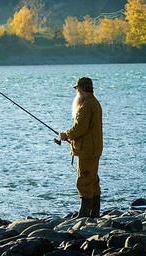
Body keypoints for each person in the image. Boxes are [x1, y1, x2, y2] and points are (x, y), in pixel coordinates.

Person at [58, 77, 103, 218]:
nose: (76, 91)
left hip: (87, 150)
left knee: (84, 179)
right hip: (94, 147)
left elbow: (79, 128)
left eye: (77, 88)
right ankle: (94, 213)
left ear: (82, 89)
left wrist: (65, 135)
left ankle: (83, 214)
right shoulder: (94, 103)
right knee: (92, 179)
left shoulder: (86, 105)